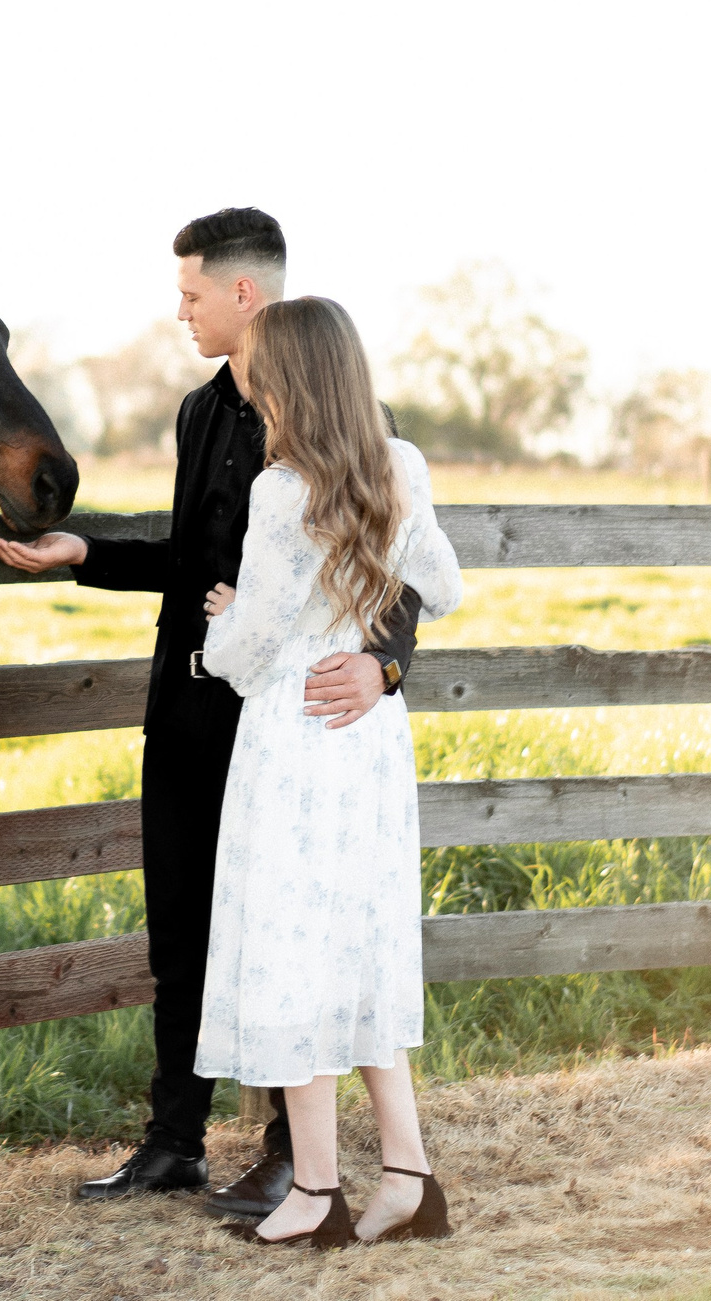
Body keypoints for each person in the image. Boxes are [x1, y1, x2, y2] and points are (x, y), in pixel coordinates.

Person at [0, 209, 423, 1216]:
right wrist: (88, 555)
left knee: (287, 935)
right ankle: (173, 1140)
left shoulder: (358, 416)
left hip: (287, 720)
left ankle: (290, 1153)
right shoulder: (195, 413)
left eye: (190, 294)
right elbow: (193, 567)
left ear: (244, 294)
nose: (178, 311)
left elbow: (396, 571)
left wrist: (383, 668)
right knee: (180, 930)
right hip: (184, 711)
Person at [194, 295, 463, 1247]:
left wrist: (221, 626)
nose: (247, 381)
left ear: (287, 379)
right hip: (370, 747)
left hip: (298, 738)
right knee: (357, 951)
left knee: (289, 953)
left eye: (258, 368)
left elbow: (251, 648)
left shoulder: (281, 489)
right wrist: (368, 642)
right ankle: (409, 1176)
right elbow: (447, 582)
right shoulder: (403, 467)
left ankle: (315, 1191)